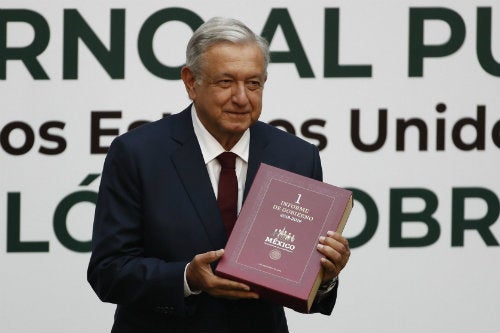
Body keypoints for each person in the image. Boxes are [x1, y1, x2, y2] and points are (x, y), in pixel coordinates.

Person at [87, 17, 350, 333]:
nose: (241, 97)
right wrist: (186, 277)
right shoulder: (137, 153)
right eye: (225, 82)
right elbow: (109, 271)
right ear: (190, 82)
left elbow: (299, 285)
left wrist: (326, 275)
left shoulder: (295, 156)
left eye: (253, 83)